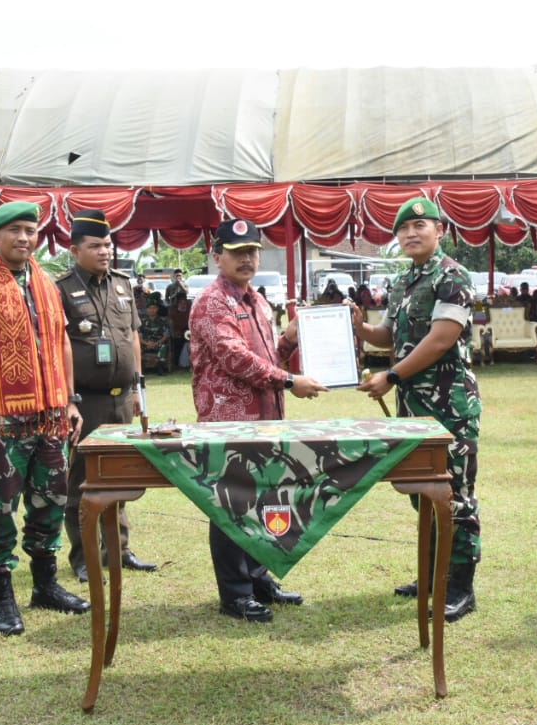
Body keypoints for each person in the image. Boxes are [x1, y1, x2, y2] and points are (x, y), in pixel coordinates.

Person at [0, 201, 90, 636]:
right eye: (14, 230)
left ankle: (45, 586)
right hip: (1, 419)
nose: (24, 238)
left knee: (50, 503)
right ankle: (2, 598)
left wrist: (70, 400)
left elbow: (63, 344)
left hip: (50, 416)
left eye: (30, 230)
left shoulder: (47, 283)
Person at [188, 218, 327, 622]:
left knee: (264, 499)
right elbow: (235, 359)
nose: (247, 259)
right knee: (232, 505)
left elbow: (267, 359)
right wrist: (289, 381)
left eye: (252, 251)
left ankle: (259, 579)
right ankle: (235, 593)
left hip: (265, 421)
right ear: (217, 257)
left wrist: (291, 338)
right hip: (230, 423)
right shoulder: (212, 302)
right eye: (237, 252)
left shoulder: (258, 301)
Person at [352, 197, 482, 622]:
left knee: (455, 495)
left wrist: (390, 377)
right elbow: (388, 335)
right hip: (414, 406)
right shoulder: (403, 281)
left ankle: (460, 587)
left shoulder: (453, 276)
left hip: (449, 405)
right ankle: (432, 574)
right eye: (403, 229)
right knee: (423, 493)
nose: (410, 234)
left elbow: (442, 338)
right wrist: (359, 327)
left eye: (420, 226)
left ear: (439, 230)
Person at [55, 209, 158, 583]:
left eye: (108, 244)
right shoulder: (61, 288)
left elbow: (132, 336)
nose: (105, 251)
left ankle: (120, 548)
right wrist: (67, 399)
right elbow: (58, 346)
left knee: (118, 476)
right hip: (86, 401)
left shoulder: (121, 284)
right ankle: (83, 555)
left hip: (120, 398)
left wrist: (137, 387)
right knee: (82, 480)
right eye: (95, 245)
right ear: (75, 250)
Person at [140, 300, 172, 374]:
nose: (152, 310)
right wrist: (147, 344)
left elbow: (166, 336)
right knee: (137, 347)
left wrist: (156, 343)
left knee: (164, 347)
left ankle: (160, 367)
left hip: (158, 343)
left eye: (154, 308)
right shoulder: (142, 321)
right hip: (145, 344)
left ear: (157, 309)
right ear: (147, 309)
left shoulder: (162, 321)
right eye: (150, 308)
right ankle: (141, 368)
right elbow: (138, 337)